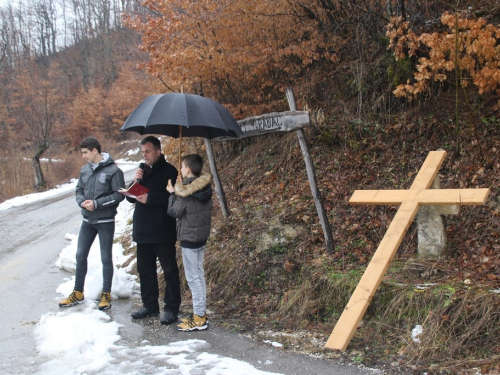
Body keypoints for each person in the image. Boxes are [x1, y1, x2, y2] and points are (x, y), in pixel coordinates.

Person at [59, 136, 125, 310]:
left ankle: (106, 294)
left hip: (105, 221)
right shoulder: (84, 170)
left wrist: (97, 204)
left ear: (95, 151)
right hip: (87, 221)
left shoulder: (114, 171)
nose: (83, 156)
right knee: (80, 256)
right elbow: (79, 190)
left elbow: (119, 195)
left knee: (105, 258)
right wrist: (82, 202)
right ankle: (78, 292)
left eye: (85, 152)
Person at [127, 136, 181, 325]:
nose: (145, 155)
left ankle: (171, 308)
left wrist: (150, 198)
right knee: (145, 270)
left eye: (148, 151)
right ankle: (150, 305)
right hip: (142, 230)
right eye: (142, 152)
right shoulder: (142, 171)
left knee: (169, 271)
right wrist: (135, 182)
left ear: (158, 151)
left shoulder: (171, 171)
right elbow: (131, 198)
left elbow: (173, 198)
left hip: (162, 230)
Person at [167, 154, 213, 331]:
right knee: (199, 276)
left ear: (187, 169)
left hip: (189, 238)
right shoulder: (205, 186)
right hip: (201, 237)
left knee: (194, 279)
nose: (181, 169)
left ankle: (199, 318)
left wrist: (173, 194)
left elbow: (174, 213)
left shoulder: (185, 191)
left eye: (182, 166)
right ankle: (200, 314)